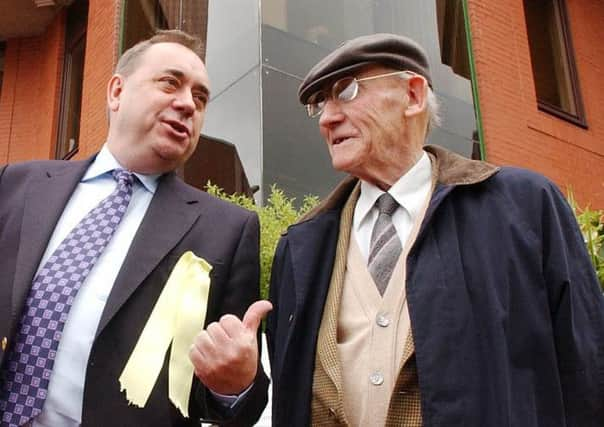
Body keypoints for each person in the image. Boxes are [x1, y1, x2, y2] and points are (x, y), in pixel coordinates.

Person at [265, 33, 604, 426]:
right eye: (320, 103)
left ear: (412, 95)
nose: (327, 117)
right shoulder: (301, 246)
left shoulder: (525, 207)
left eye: (347, 90)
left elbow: (588, 372)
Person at [0, 30, 270, 427]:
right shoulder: (17, 185)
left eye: (200, 98)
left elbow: (238, 403)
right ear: (116, 92)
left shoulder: (227, 230)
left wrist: (236, 383)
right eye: (170, 83)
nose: (186, 104)